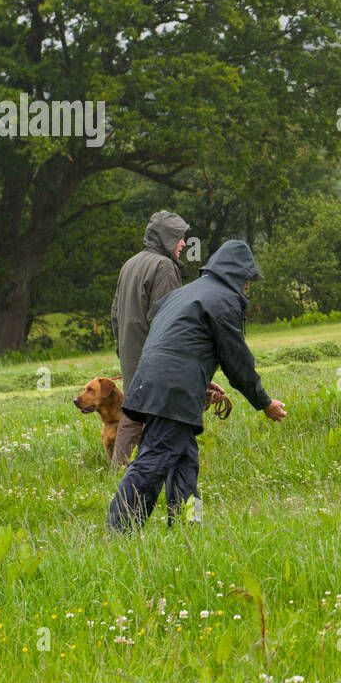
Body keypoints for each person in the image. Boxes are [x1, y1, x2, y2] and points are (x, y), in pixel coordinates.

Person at [107, 239, 285, 532]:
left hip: (152, 381)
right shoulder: (223, 300)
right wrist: (263, 403)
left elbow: (174, 338)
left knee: (185, 462)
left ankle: (189, 526)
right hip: (172, 391)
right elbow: (237, 360)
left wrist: (199, 373)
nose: (248, 288)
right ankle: (118, 530)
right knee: (152, 462)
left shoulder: (185, 294)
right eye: (248, 281)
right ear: (237, 276)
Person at [109, 211, 190, 468]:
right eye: (179, 237)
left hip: (133, 357)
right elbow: (170, 320)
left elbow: (114, 315)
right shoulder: (163, 267)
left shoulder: (129, 264)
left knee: (133, 415)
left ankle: (118, 471)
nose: (184, 244)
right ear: (166, 238)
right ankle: (167, 472)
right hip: (156, 360)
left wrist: (124, 353)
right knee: (168, 417)